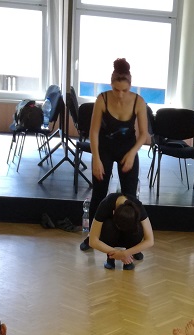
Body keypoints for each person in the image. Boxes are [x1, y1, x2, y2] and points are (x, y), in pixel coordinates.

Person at [79, 58, 149, 252]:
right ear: (111, 84)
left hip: (128, 149)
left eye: (124, 90)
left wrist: (132, 153)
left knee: (130, 198)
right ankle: (92, 237)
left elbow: (144, 134)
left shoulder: (138, 101)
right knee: (99, 194)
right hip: (105, 149)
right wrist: (96, 159)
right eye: (116, 89)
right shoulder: (102, 99)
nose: (120, 94)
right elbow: (93, 132)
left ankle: (132, 242)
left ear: (130, 86)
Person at [87, 192, 154, 270]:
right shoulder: (105, 204)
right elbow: (92, 241)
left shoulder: (137, 206)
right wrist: (117, 253)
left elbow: (150, 240)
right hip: (112, 235)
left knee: (138, 228)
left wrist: (126, 253)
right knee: (108, 225)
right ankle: (110, 258)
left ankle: (131, 253)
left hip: (129, 238)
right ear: (113, 212)